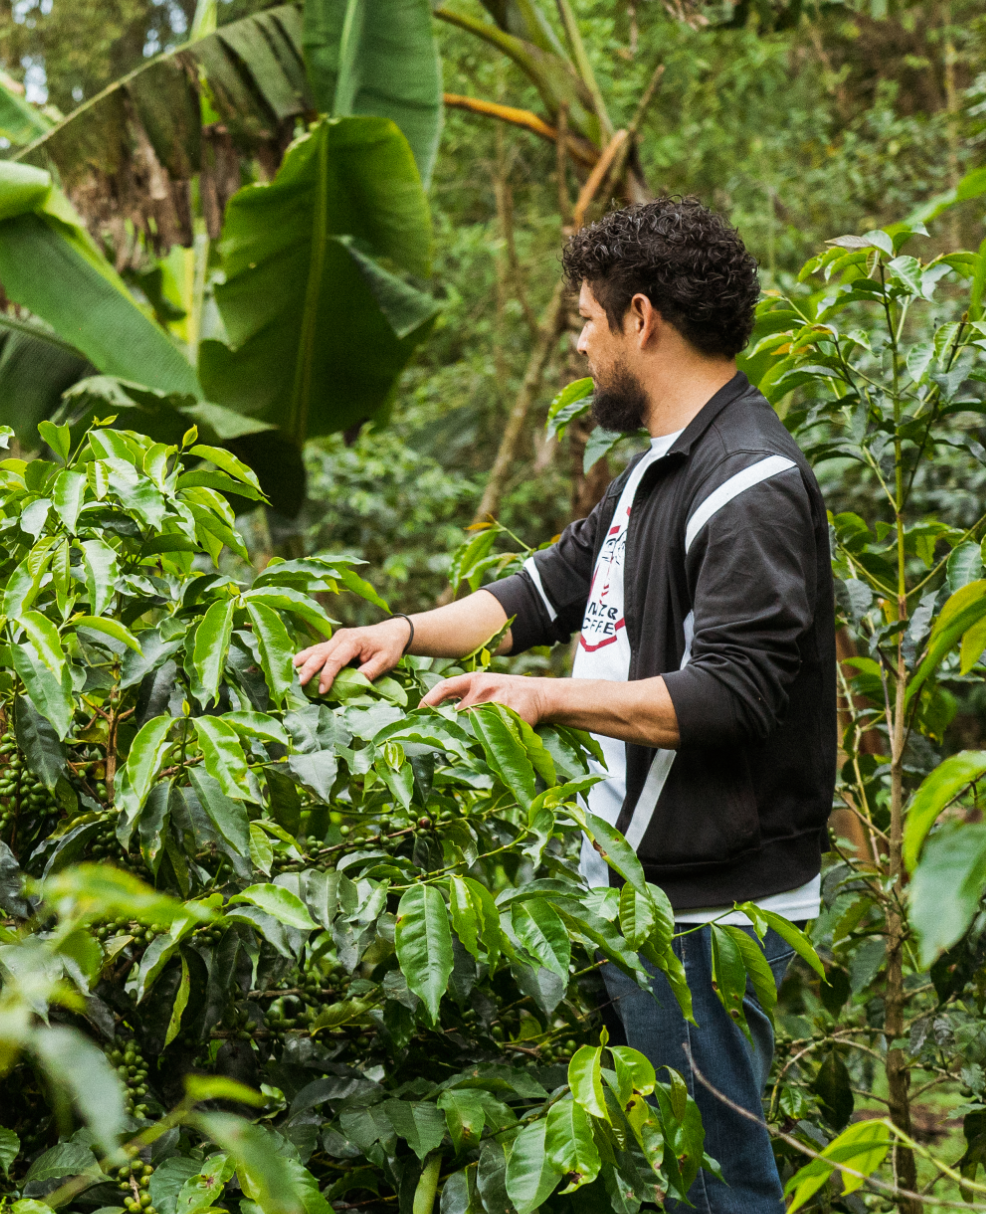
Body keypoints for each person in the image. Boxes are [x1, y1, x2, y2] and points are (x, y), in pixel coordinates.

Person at [295, 198, 834, 1214]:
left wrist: (543, 697)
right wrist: (397, 633)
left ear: (640, 319)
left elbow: (733, 693)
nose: (577, 344)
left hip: (708, 906)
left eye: (585, 320)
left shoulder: (746, 481)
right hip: (646, 890)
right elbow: (544, 588)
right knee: (679, 1178)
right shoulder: (657, 469)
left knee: (721, 1188)